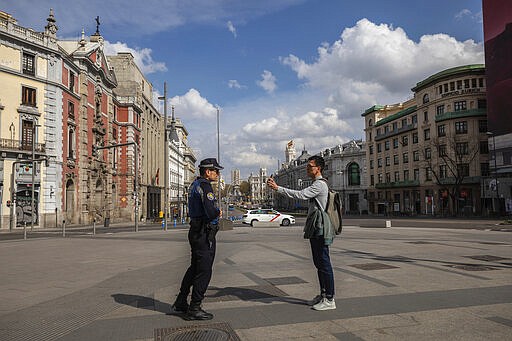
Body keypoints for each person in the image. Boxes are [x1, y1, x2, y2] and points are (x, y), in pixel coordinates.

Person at [267, 155, 336, 311]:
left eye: (310, 166)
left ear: (318, 168)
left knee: (324, 263)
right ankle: (323, 295)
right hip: (315, 227)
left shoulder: (319, 185)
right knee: (319, 263)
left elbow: (301, 195)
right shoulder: (316, 184)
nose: (307, 168)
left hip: (320, 228)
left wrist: (278, 188)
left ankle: (330, 299)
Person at [172, 158, 223, 320]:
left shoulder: (194, 184)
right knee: (204, 270)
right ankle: (195, 306)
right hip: (204, 233)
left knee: (194, 267)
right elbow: (210, 211)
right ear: (208, 172)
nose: (218, 174)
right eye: (216, 171)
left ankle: (181, 300)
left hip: (195, 230)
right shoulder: (204, 186)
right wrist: (217, 212)